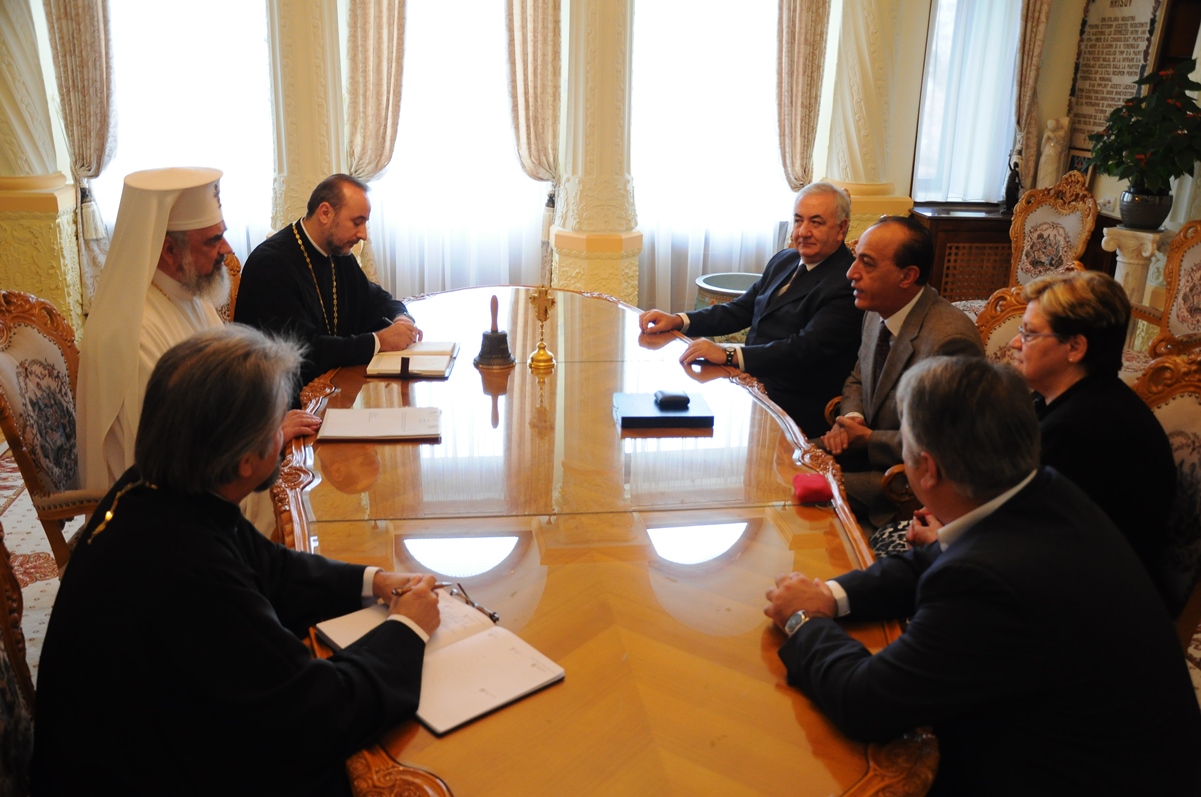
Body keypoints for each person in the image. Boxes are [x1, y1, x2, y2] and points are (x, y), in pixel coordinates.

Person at [33, 326, 441, 796]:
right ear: (247, 459)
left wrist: (375, 581)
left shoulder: (158, 485)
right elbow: (319, 715)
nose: (283, 434)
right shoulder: (192, 572)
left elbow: (269, 565)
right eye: (276, 423)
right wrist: (407, 628)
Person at [764, 356, 1201, 796]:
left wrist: (804, 620)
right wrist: (830, 595)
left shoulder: (987, 579)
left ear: (928, 468)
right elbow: (928, 560)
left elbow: (866, 703)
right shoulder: (1042, 489)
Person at [894, 272, 1182, 609]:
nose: (1015, 344)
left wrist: (944, 539)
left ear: (1075, 347)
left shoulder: (1082, 432)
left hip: (1089, 605)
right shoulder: (1062, 400)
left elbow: (1031, 543)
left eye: (1029, 334)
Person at [637, 182, 862, 435]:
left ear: (841, 228)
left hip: (792, 404)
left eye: (816, 223)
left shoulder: (847, 283)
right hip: (751, 382)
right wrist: (678, 320)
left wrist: (728, 354)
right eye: (799, 220)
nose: (803, 232)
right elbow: (742, 309)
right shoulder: (785, 259)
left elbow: (802, 349)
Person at [821, 216, 983, 528]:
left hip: (902, 482)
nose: (851, 273)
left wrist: (869, 439)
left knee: (796, 483)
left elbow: (945, 445)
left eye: (867, 263)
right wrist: (852, 418)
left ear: (907, 276)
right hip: (860, 455)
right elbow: (857, 377)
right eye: (855, 258)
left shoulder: (950, 340)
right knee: (781, 456)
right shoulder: (876, 310)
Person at [235, 174, 422, 389]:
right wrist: (379, 341)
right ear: (325, 213)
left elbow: (375, 300)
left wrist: (401, 318)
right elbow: (302, 351)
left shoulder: (336, 252)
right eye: (357, 222)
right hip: (281, 396)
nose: (363, 234)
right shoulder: (271, 264)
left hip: (333, 384)